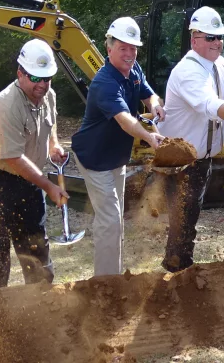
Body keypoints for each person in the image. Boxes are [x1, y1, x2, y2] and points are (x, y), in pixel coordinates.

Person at [158, 7, 224, 272]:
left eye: (219, 37)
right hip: (180, 162)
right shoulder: (188, 71)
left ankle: (181, 271)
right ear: (194, 38)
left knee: (189, 219)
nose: (217, 43)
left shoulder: (220, 65)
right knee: (182, 223)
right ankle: (176, 273)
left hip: (202, 159)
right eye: (210, 37)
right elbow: (212, 106)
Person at [71, 17, 166, 276]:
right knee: (110, 219)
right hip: (94, 158)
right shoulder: (105, 82)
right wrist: (149, 138)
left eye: (133, 48)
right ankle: (105, 284)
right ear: (109, 48)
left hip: (116, 156)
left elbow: (148, 93)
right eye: (123, 47)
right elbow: (125, 121)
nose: (129, 53)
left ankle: (114, 275)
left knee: (116, 220)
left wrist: (155, 104)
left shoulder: (133, 70)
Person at [0, 40, 69, 290]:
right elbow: (13, 158)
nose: (42, 84)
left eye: (47, 78)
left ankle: (41, 307)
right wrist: (49, 186)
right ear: (20, 73)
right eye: (36, 78)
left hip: (29, 181)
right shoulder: (7, 105)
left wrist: (54, 145)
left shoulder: (48, 95)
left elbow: (50, 127)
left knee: (36, 247)